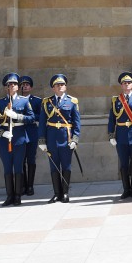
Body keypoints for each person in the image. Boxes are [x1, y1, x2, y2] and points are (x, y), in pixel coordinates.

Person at [0, 73, 35, 206]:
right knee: (7, 168)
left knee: (18, 167)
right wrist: (1, 132)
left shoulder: (24, 101)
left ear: (18, 87)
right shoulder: (0, 103)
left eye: (15, 84)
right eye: (10, 84)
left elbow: (31, 118)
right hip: (5, 139)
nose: (12, 86)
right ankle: (9, 196)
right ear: (6, 87)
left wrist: (17, 116)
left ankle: (17, 196)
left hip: (19, 138)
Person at [38, 74, 80, 203]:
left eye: (62, 85)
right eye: (57, 85)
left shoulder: (72, 101)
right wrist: (42, 141)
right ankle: (57, 193)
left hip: (66, 138)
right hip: (51, 138)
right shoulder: (46, 102)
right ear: (53, 88)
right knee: (54, 166)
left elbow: (76, 122)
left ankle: (65, 193)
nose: (60, 87)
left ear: (65, 87)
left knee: (66, 166)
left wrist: (75, 139)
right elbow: (42, 122)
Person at [108, 71, 132, 200]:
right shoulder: (115, 100)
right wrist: (111, 135)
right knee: (123, 164)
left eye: (129, 83)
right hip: (121, 137)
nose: (127, 85)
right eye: (124, 83)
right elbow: (112, 119)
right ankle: (126, 189)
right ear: (121, 85)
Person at [20, 75, 41, 196]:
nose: (25, 86)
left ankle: (30, 186)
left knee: (31, 159)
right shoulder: (15, 100)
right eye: (23, 85)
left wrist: (29, 118)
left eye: (27, 84)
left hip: (32, 132)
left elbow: (41, 115)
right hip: (20, 132)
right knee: (21, 160)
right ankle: (23, 185)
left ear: (31, 87)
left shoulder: (36, 101)